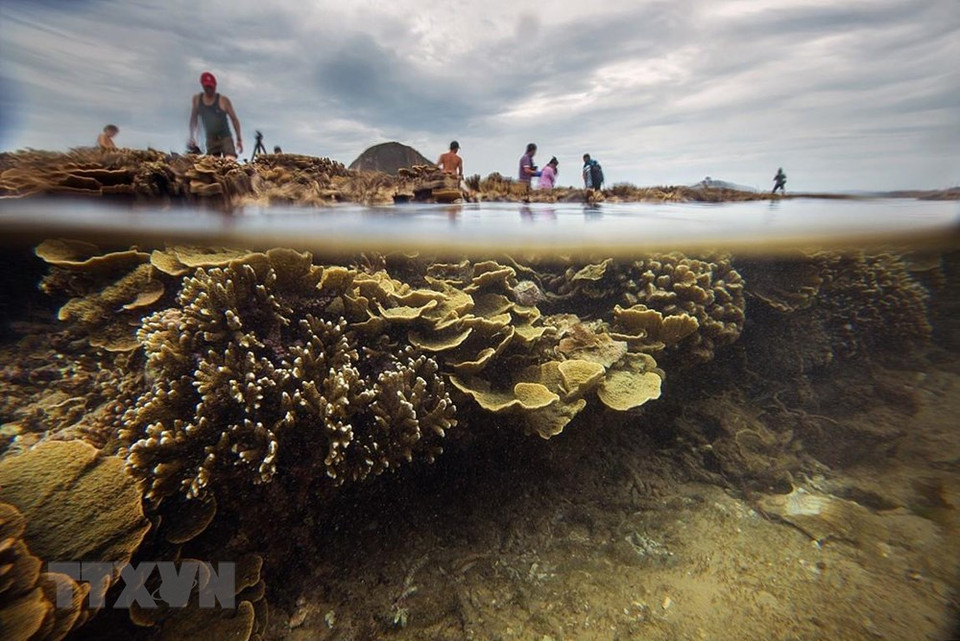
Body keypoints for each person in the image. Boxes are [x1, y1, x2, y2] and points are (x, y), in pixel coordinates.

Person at [189, 71, 243, 159]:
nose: (209, 89)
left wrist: (239, 139)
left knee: (230, 161)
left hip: (225, 137)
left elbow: (234, 119)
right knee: (212, 165)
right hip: (211, 139)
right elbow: (193, 119)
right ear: (203, 86)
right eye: (207, 87)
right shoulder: (197, 100)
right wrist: (192, 136)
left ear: (215, 86)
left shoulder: (223, 100)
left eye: (211, 87)